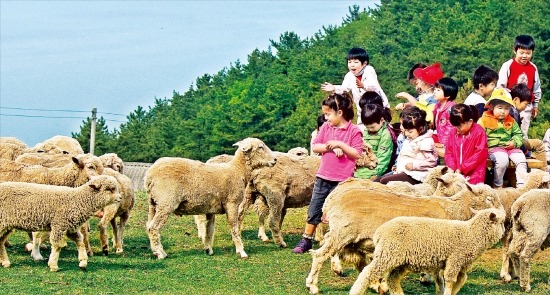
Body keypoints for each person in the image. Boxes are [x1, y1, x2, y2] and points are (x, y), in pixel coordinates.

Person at [292, 92, 363, 254]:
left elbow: (357, 153)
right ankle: (306, 239)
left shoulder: (354, 131)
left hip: (343, 181)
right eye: (325, 114)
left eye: (328, 114)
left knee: (338, 212)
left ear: (340, 112)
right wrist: (331, 147)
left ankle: (337, 242)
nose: (326, 118)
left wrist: (341, 145)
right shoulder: (326, 127)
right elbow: (316, 146)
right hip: (324, 176)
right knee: (315, 208)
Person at [321, 47, 389, 129]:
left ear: (364, 63)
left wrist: (364, 85)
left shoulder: (369, 70)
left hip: (377, 105)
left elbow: (373, 85)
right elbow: (344, 88)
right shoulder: (349, 75)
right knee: (362, 129)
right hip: (362, 109)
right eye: (349, 62)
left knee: (381, 126)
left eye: (356, 62)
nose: (352, 65)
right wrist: (334, 88)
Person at [478, 88, 527, 188]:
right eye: (500, 108)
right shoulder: (484, 120)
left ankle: (522, 186)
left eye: (507, 108)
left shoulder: (511, 121)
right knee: (502, 160)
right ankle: (498, 185)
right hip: (494, 148)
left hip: (511, 147)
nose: (503, 111)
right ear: (491, 106)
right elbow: (478, 135)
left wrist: (514, 142)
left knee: (521, 159)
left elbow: (518, 135)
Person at [375, 107, 437, 185]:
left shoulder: (425, 141)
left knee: (384, 181)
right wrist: (397, 165)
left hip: (416, 175)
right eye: (406, 130)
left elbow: (432, 162)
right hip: (405, 171)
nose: (407, 133)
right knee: (378, 180)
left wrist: (414, 165)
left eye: (410, 131)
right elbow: (404, 154)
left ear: (420, 129)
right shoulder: (410, 138)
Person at [497, 34, 542, 138]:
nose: (524, 56)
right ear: (515, 50)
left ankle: (522, 152)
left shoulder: (533, 68)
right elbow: (500, 87)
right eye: (521, 52)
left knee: (522, 132)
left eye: (528, 53)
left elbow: (536, 88)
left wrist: (535, 106)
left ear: (532, 52)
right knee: (506, 131)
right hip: (509, 105)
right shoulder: (508, 65)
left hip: (526, 106)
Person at [445, 104, 488, 184]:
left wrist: (462, 168)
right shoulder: (453, 132)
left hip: (474, 175)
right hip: (456, 174)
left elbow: (480, 153)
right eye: (455, 126)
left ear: (470, 121)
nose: (457, 129)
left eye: (460, 126)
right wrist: (453, 167)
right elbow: (449, 152)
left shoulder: (478, 132)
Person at [354, 104, 394, 180]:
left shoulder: (385, 135)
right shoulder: (366, 131)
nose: (370, 130)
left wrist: (376, 174)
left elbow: (383, 158)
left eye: (372, 127)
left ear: (382, 120)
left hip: (374, 170)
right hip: (361, 169)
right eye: (367, 127)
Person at [432, 77, 458, 147]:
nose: (434, 91)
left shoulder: (451, 109)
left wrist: (444, 143)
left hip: (447, 142)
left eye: (438, 90)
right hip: (439, 136)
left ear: (448, 95)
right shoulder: (438, 106)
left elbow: (451, 128)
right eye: (434, 89)